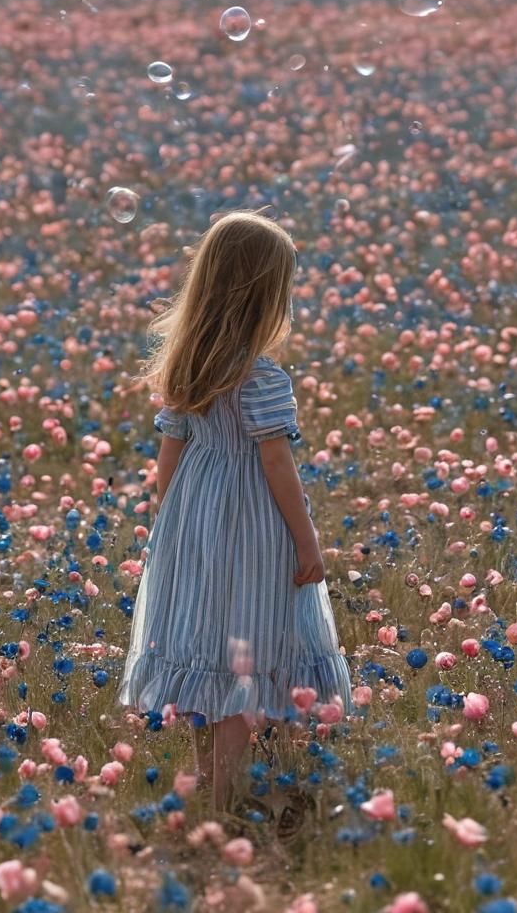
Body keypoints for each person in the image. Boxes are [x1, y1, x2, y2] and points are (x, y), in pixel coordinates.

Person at [117, 209, 353, 818]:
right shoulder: (261, 376)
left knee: (206, 653)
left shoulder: (187, 365)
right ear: (263, 296)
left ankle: (208, 784)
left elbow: (168, 459)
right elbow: (277, 466)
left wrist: (174, 526)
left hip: (194, 516)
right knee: (244, 659)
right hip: (252, 527)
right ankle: (226, 800)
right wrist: (307, 544)